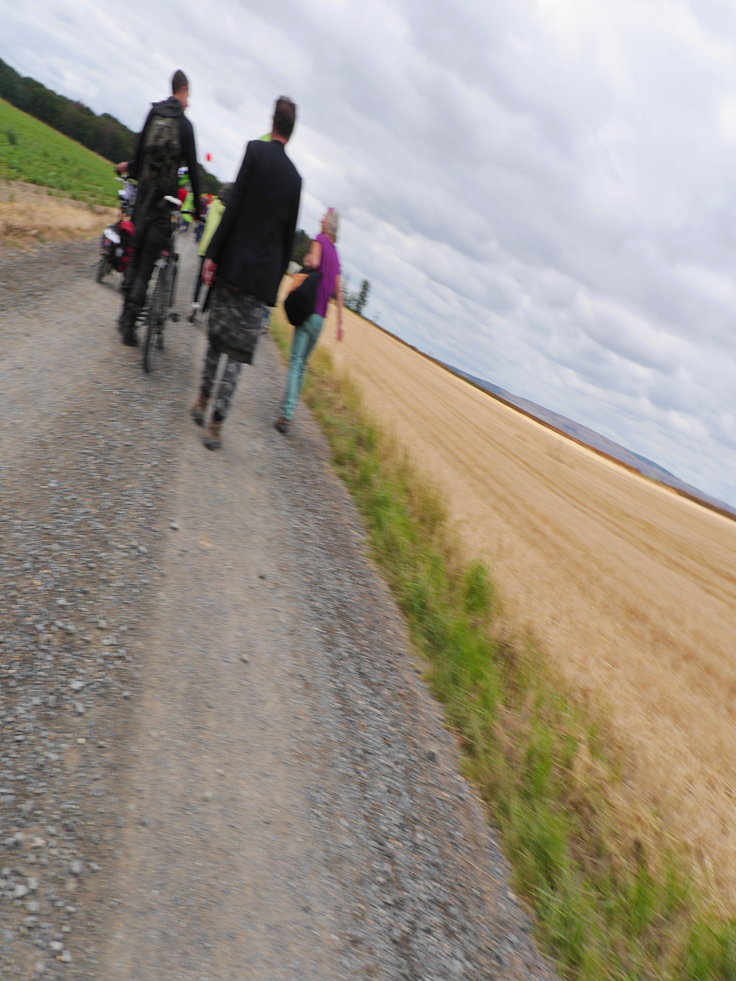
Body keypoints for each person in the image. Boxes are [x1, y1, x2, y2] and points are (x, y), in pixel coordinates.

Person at [190, 97, 301, 451]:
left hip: (233, 264)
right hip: (260, 278)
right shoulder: (295, 180)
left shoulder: (254, 151)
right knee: (238, 352)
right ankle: (216, 427)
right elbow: (287, 237)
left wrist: (213, 254)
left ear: (272, 123)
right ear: (292, 131)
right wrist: (274, 287)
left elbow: (233, 207)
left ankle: (202, 401)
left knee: (216, 336)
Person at [115, 70, 202, 346]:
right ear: (184, 91)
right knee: (147, 265)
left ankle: (124, 317)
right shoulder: (185, 127)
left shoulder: (154, 113)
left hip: (143, 200)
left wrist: (133, 178)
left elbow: (138, 154)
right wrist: (199, 207)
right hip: (163, 205)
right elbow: (195, 171)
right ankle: (130, 327)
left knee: (135, 254)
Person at [275, 208, 344, 434]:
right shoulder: (336, 254)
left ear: (328, 224)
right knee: (302, 364)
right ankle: (291, 408)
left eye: (323, 217)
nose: (320, 219)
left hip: (307, 310)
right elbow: (338, 291)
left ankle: (286, 414)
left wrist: (307, 258)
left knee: (295, 362)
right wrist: (340, 324)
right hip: (321, 318)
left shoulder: (320, 240)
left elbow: (313, 262)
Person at [189, 184, 230, 323]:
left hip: (205, 246)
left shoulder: (213, 205)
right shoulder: (229, 212)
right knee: (213, 284)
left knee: (199, 278)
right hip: (220, 251)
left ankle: (194, 304)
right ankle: (204, 311)